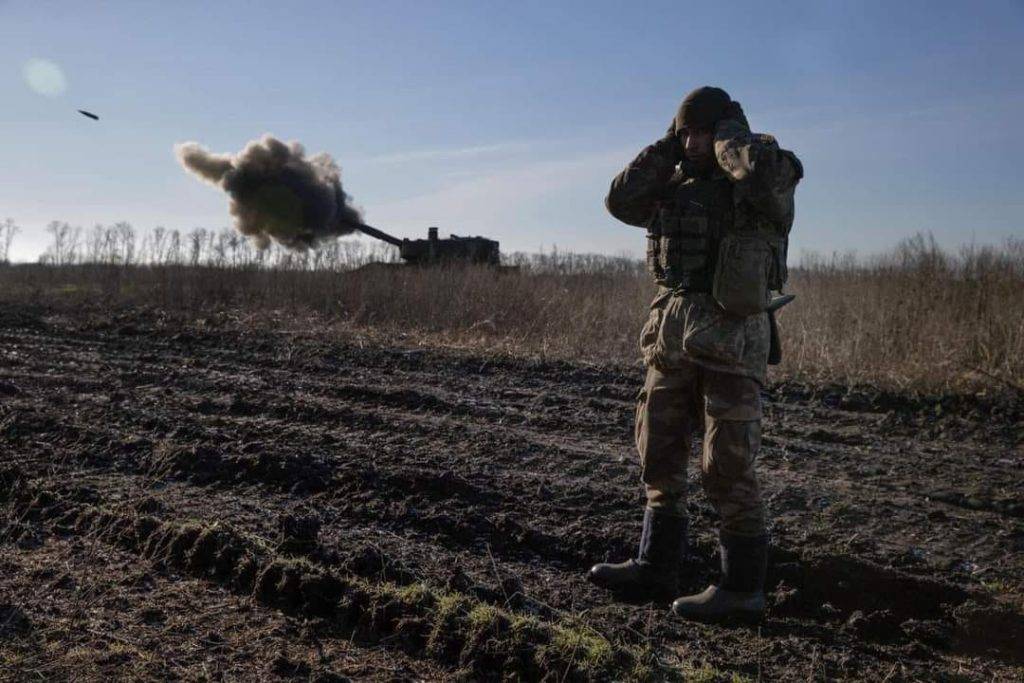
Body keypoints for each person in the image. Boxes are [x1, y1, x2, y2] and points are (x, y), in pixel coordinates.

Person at [589, 86, 802, 622]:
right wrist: (668, 145)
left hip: (732, 342)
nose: (692, 141)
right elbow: (619, 201)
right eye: (684, 131)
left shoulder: (766, 170)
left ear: (726, 129)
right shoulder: (673, 181)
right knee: (658, 454)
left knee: (726, 466)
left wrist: (731, 134)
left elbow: (756, 175)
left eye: (701, 131)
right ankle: (655, 566)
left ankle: (742, 589)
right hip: (671, 335)